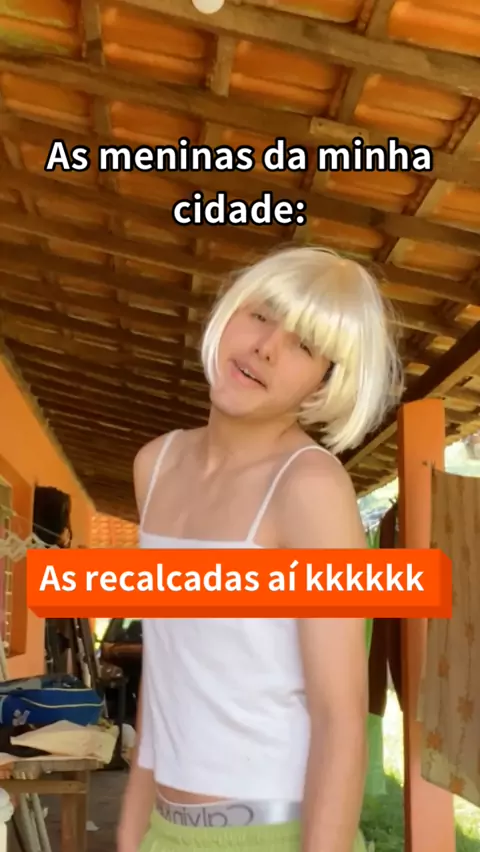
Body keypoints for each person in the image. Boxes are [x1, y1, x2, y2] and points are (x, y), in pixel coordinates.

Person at [117, 246, 403, 852]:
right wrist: (130, 830)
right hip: (164, 830)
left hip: (276, 834)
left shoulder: (310, 486)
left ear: (325, 379)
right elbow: (166, 672)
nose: (266, 347)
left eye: (305, 345)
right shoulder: (155, 465)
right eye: (261, 315)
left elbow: (340, 718)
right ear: (229, 311)